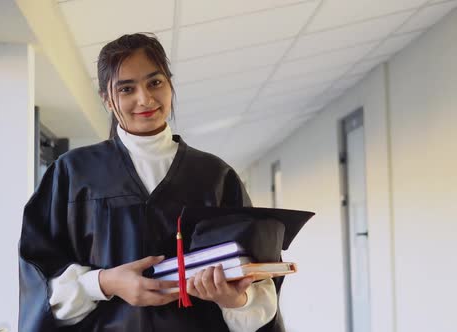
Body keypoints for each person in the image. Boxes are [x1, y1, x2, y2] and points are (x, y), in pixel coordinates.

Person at [19, 33, 284, 332]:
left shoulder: (215, 177)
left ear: (170, 83)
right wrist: (105, 283)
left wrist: (234, 299)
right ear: (107, 98)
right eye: (126, 89)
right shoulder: (72, 174)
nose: (144, 99)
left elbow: (258, 287)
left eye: (154, 82)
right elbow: (40, 280)